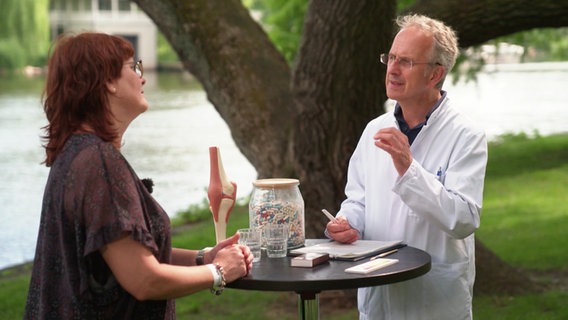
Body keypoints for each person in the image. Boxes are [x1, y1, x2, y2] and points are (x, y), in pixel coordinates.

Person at [24, 32, 253, 319]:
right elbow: (144, 280)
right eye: (133, 67)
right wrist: (218, 271)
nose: (141, 78)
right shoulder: (98, 163)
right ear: (107, 81)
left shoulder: (77, 154)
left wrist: (201, 257)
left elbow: (128, 255)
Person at [326, 14, 488, 320]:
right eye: (391, 58)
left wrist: (408, 166)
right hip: (378, 296)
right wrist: (348, 222)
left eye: (407, 62)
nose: (393, 69)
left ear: (435, 74)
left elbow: (463, 219)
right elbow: (358, 200)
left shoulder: (466, 135)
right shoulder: (375, 129)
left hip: (433, 302)